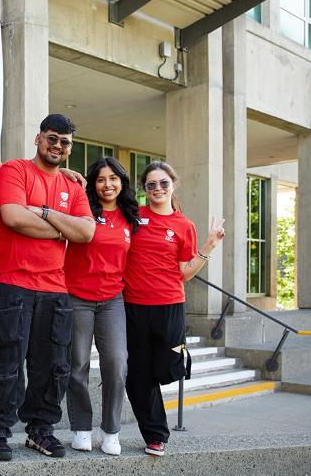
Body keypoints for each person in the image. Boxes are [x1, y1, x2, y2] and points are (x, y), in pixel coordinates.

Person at [0, 114, 96, 461]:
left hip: (54, 288)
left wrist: (42, 212)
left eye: (65, 142)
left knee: (53, 366)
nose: (57, 146)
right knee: (5, 362)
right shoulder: (14, 171)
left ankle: (40, 431)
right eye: (52, 138)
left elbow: (87, 233)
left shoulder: (73, 187)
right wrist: (64, 228)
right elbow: (13, 216)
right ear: (38, 138)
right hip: (10, 283)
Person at [123, 161, 225, 457]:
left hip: (170, 306)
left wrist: (209, 245)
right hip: (134, 307)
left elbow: (185, 271)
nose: (157, 189)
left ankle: (177, 362)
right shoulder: (134, 217)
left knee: (164, 370)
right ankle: (156, 435)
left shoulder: (184, 225)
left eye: (163, 183)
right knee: (137, 376)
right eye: (151, 185)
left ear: (173, 185)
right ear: (144, 189)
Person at [63, 156, 138, 456]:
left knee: (117, 363)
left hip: (112, 300)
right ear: (93, 184)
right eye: (101, 179)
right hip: (77, 297)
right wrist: (70, 172)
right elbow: (56, 179)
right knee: (77, 363)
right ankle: (81, 428)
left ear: (122, 182)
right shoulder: (82, 209)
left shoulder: (131, 216)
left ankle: (111, 431)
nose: (108, 185)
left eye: (114, 178)